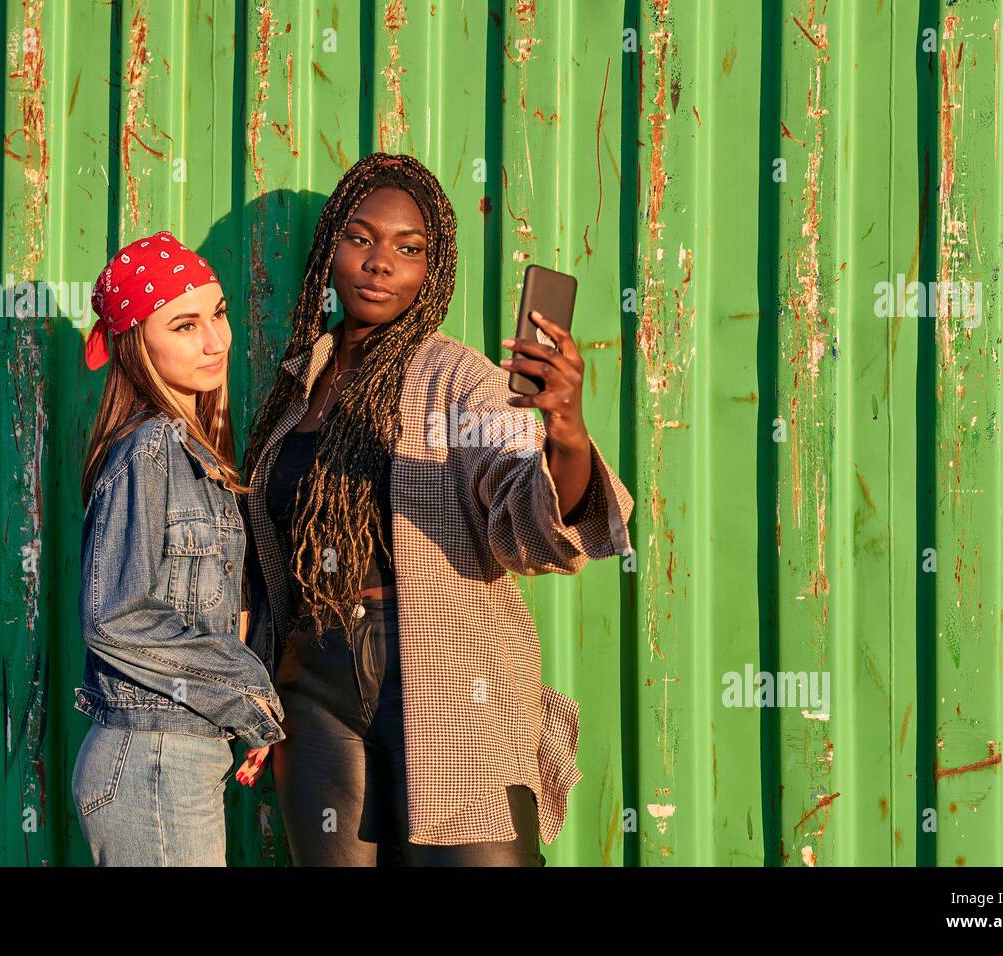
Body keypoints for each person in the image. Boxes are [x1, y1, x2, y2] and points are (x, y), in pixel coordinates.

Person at [238, 153, 634, 866]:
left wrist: (566, 433)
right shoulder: (298, 387)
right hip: (313, 683)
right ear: (330, 251)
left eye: (408, 248)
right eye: (361, 239)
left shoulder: (462, 381)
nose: (380, 262)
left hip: (446, 674)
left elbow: (534, 521)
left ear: (433, 268)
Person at [70, 231, 283, 866]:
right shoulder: (152, 448)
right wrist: (245, 689)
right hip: (151, 759)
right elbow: (116, 615)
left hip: (176, 755)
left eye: (218, 315)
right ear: (138, 343)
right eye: (185, 325)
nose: (216, 341)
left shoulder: (194, 451)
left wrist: (242, 704)